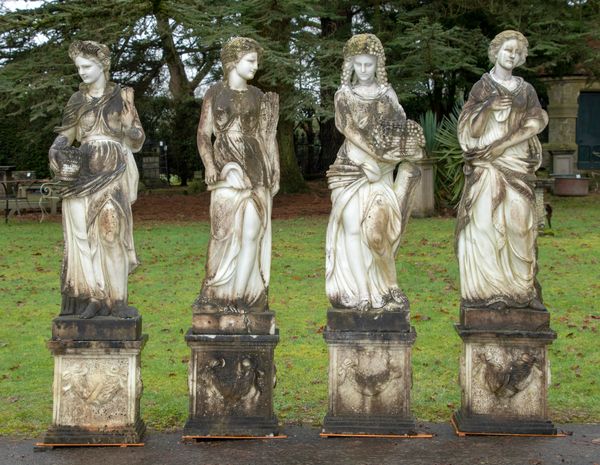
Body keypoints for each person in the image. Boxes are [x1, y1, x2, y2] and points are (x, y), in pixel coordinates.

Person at [326, 33, 423, 312]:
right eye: (359, 64)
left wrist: (381, 162)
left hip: (379, 173)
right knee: (353, 233)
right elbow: (349, 130)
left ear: (377, 64)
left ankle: (390, 285)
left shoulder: (387, 95)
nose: (364, 70)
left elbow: (400, 135)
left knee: (377, 235)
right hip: (348, 171)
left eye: (369, 64)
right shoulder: (344, 96)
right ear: (351, 65)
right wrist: (368, 161)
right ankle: (363, 293)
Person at [49, 40, 144, 319]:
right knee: (85, 239)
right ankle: (94, 295)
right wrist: (56, 147)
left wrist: (129, 128)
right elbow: (68, 134)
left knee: (111, 232)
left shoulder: (121, 98)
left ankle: (118, 299)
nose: (82, 72)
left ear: (103, 65)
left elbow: (137, 139)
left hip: (113, 169)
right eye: (79, 67)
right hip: (83, 171)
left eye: (87, 66)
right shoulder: (77, 100)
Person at [456, 30, 548, 310]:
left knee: (520, 225)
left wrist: (503, 145)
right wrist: (488, 107)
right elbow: (469, 129)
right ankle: (490, 291)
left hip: (516, 166)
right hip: (487, 168)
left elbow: (536, 123)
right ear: (495, 52)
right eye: (507, 50)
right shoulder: (482, 88)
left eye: (517, 52)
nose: (512, 55)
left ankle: (521, 290)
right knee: (484, 225)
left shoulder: (526, 90)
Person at [193, 37, 280, 314]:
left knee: (252, 233)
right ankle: (216, 291)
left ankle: (242, 298)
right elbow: (203, 134)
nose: (255, 66)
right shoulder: (214, 92)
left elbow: (268, 136)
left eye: (256, 61)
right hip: (225, 168)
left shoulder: (258, 96)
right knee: (222, 233)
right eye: (250, 61)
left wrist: (275, 168)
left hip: (256, 169)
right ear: (233, 62)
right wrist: (209, 165)